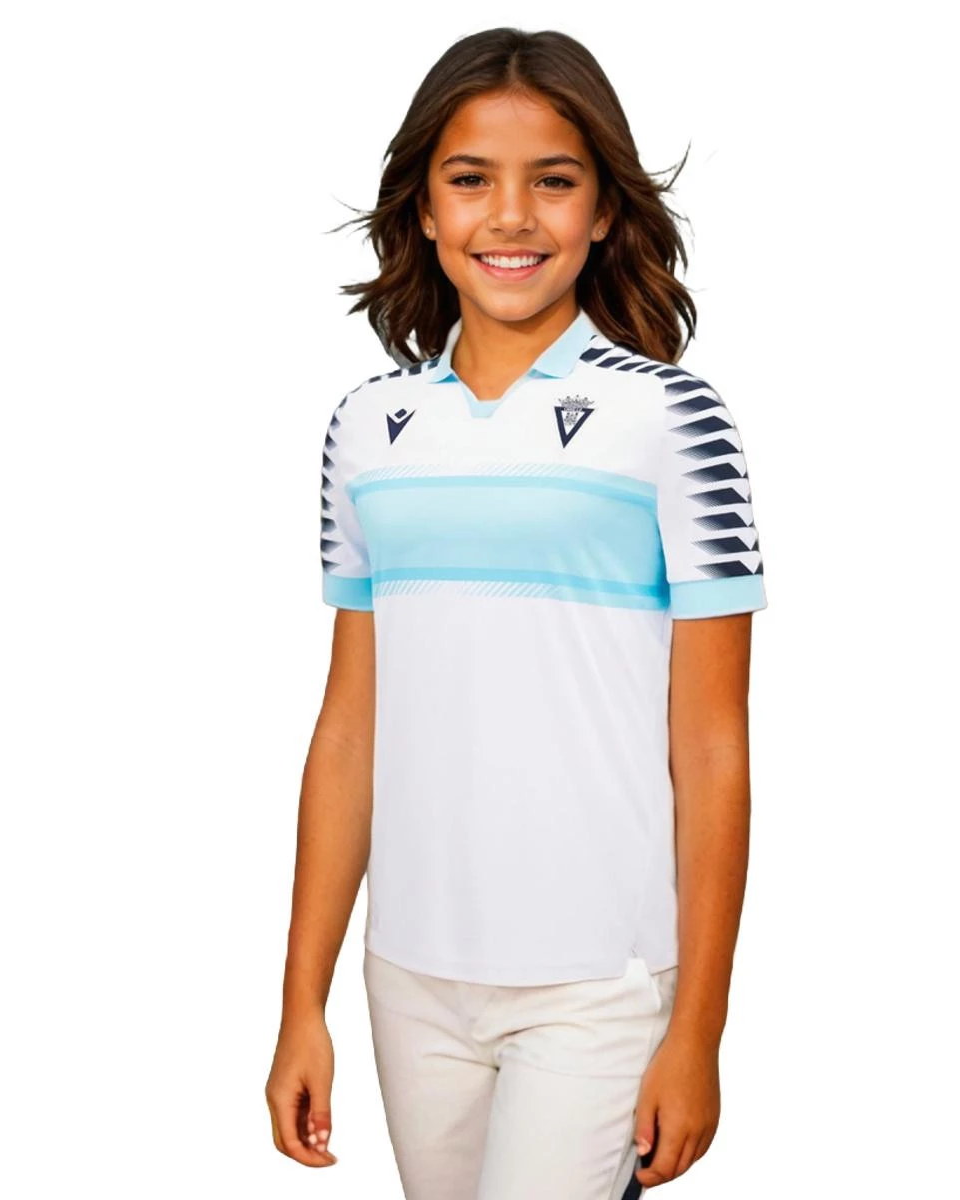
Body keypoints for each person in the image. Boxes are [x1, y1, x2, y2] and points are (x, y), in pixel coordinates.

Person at [266, 26, 768, 1200]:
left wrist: (697, 1030)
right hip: (411, 981)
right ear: (424, 209)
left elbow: (713, 744)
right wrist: (302, 1002)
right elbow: (349, 730)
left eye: (552, 181)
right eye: (469, 179)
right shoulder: (366, 429)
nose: (510, 216)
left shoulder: (674, 422)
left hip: (599, 981)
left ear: (604, 212)